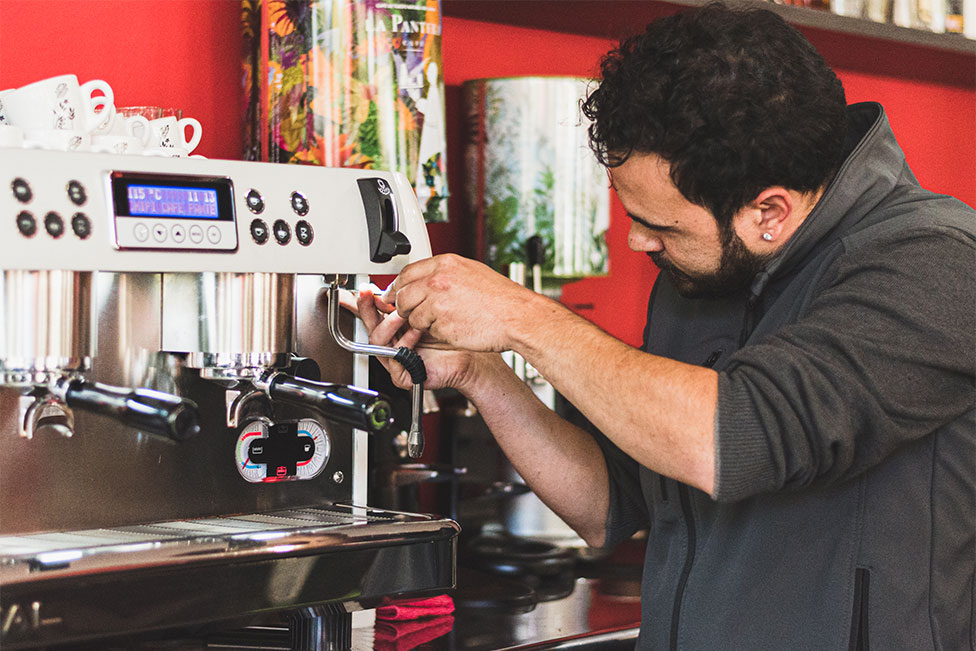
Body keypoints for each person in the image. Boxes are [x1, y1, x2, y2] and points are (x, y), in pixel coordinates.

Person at [348, 3, 975, 648]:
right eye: (632, 212)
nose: (639, 241)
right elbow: (605, 505)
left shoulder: (939, 264)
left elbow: (740, 432)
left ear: (770, 211)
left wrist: (520, 316)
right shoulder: (701, 271)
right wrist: (481, 372)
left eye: (663, 225)